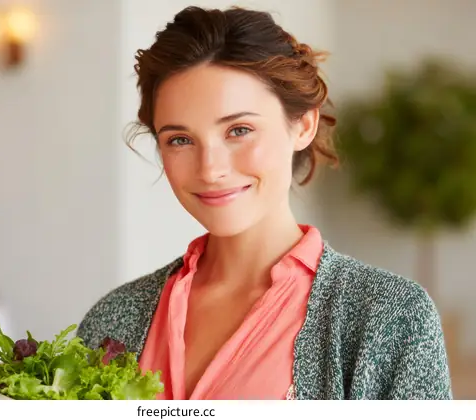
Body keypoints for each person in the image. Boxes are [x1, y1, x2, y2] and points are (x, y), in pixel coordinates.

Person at [76, 6, 452, 400]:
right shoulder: (112, 319)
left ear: (303, 124)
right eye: (180, 139)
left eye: (239, 130)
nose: (210, 169)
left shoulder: (389, 317)